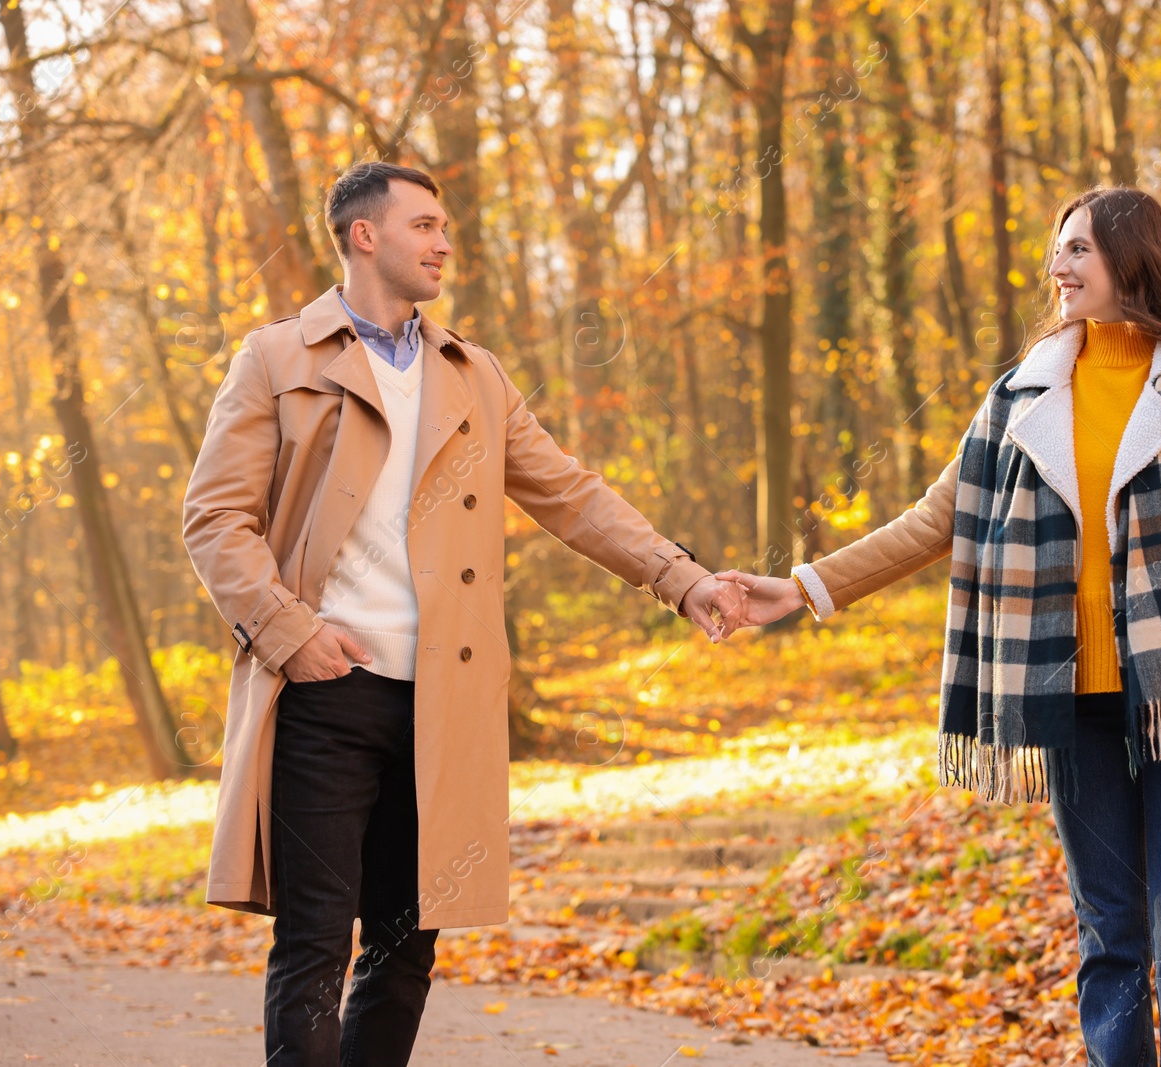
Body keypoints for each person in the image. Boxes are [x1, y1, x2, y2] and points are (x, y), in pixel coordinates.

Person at [182, 160, 745, 1067]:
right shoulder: (276, 357)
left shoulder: (473, 375)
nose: (445, 242)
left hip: (443, 700)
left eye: (444, 226)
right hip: (325, 693)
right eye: (425, 225)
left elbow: (570, 494)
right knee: (315, 946)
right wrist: (293, 635)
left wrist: (683, 579)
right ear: (365, 235)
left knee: (407, 950)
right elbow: (214, 518)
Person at [719, 185, 1161, 1065]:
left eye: (1078, 250)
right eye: (1058, 250)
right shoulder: (1022, 394)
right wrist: (800, 588)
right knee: (1109, 931)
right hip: (1068, 698)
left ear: (1133, 259)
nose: (1057, 267)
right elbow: (933, 519)